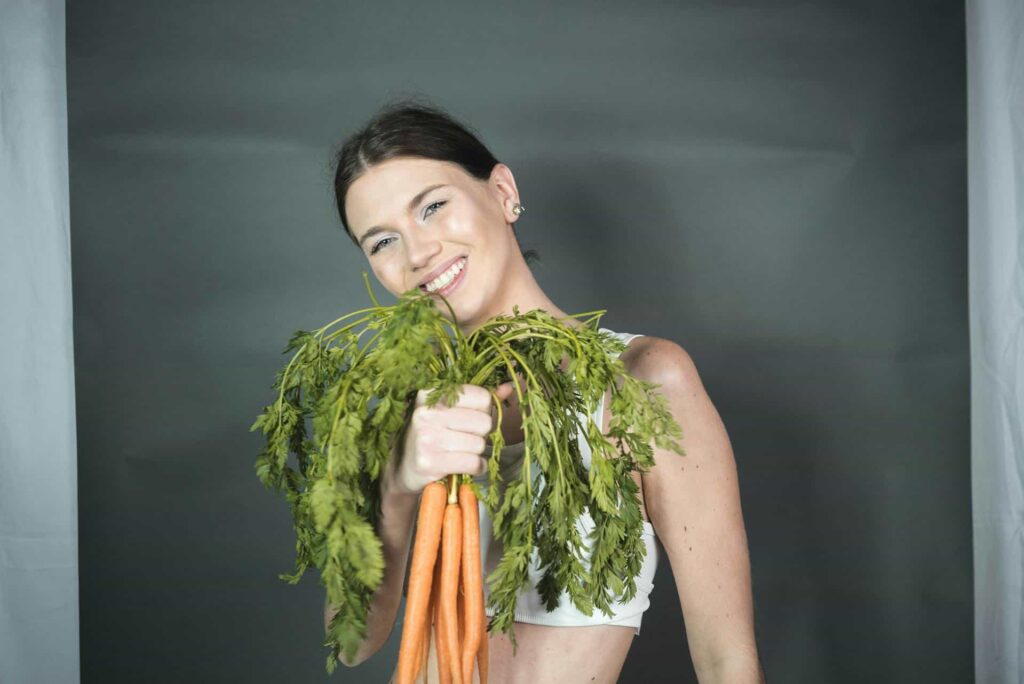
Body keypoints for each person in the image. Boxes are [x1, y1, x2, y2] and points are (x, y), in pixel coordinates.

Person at [324, 98, 765, 684]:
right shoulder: (404, 410)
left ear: (503, 192)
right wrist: (400, 484)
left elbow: (726, 662)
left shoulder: (644, 380)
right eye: (381, 242)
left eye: (432, 206)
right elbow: (348, 643)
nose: (418, 252)